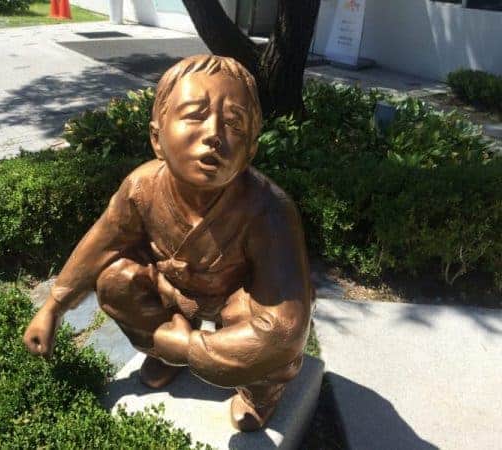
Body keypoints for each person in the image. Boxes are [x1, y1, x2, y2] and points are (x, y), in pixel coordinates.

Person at [23, 55, 314, 431]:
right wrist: (52, 307)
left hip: (236, 303)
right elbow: (101, 244)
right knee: (115, 279)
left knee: (268, 338)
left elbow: (285, 328)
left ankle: (258, 392)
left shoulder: (270, 211)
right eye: (195, 115)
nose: (214, 134)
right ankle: (163, 352)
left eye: (234, 124)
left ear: (251, 150)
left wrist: (190, 347)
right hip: (176, 296)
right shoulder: (142, 187)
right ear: (157, 138)